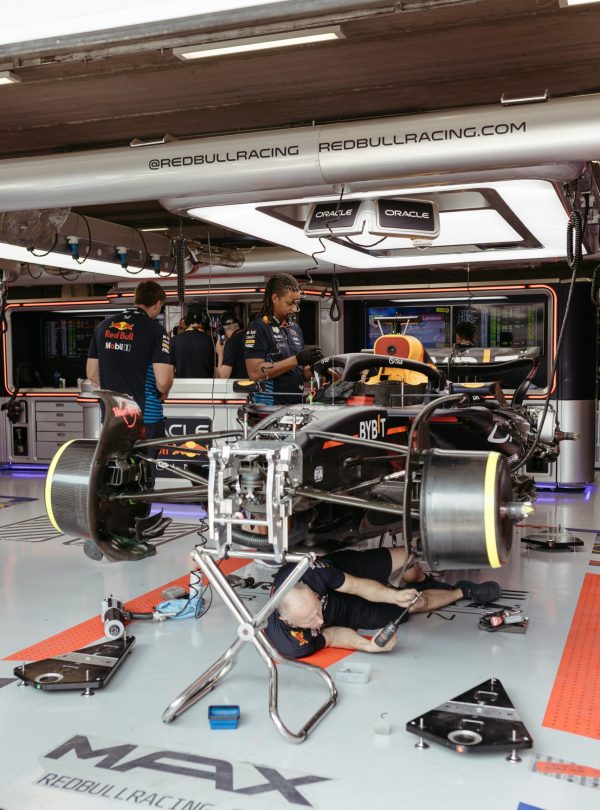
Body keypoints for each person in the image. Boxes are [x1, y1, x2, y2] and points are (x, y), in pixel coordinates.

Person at [265, 547, 501, 659]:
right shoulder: (292, 645)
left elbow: (356, 586)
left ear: (313, 592)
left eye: (317, 610)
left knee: (406, 557)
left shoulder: (312, 572)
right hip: (347, 614)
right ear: (285, 619)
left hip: (343, 573)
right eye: (310, 622)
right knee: (411, 605)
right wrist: (368, 646)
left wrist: (392, 594)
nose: (320, 621)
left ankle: (422, 579)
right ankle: (462, 591)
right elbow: (333, 635)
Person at [87, 280, 173, 440]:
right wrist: (165, 387)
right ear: (158, 303)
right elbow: (163, 382)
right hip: (144, 417)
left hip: (111, 417)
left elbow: (91, 373)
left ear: (137, 299)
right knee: (146, 464)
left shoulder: (103, 326)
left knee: (117, 463)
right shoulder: (156, 330)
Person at [244, 273, 323, 405]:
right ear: (275, 298)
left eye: (297, 303)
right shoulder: (259, 327)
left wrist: (317, 368)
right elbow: (255, 372)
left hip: (295, 405)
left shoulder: (295, 328)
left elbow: (299, 374)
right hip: (269, 408)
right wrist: (297, 359)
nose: (294, 308)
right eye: (290, 303)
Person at [169, 304, 216, 378]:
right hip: (206, 387)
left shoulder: (174, 340)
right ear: (203, 320)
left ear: (187, 320)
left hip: (181, 387)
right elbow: (216, 371)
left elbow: (170, 370)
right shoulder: (212, 341)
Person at [215, 311, 247, 379]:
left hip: (238, 386)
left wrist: (220, 353)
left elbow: (223, 376)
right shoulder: (248, 335)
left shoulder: (231, 342)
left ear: (222, 330)